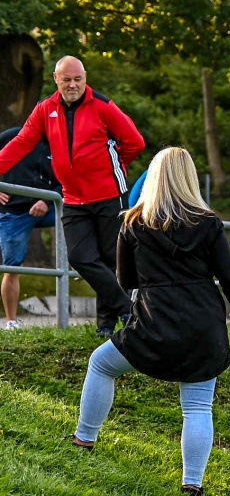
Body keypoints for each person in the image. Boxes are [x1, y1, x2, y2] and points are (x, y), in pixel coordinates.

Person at [70, 147, 230, 496]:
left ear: (153, 177)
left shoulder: (133, 222)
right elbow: (228, 275)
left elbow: (125, 281)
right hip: (204, 324)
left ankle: (84, 438)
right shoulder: (209, 223)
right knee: (198, 405)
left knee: (101, 364)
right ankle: (193, 483)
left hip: (154, 322)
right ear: (189, 178)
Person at [0, 56, 146, 337]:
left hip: (109, 193)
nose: (73, 85)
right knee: (80, 257)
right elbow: (22, 142)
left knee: (110, 260)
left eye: (78, 79)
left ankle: (105, 325)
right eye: (66, 79)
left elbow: (134, 142)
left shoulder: (103, 106)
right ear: (56, 79)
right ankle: (128, 309)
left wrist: (115, 166)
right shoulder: (45, 109)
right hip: (74, 198)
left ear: (85, 78)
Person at [0, 125, 58, 330]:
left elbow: (71, 178)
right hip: (13, 211)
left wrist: (47, 201)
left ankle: (82, 262)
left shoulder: (61, 142)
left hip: (49, 206)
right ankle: (11, 321)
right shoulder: (11, 136)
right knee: (11, 266)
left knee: (80, 209)